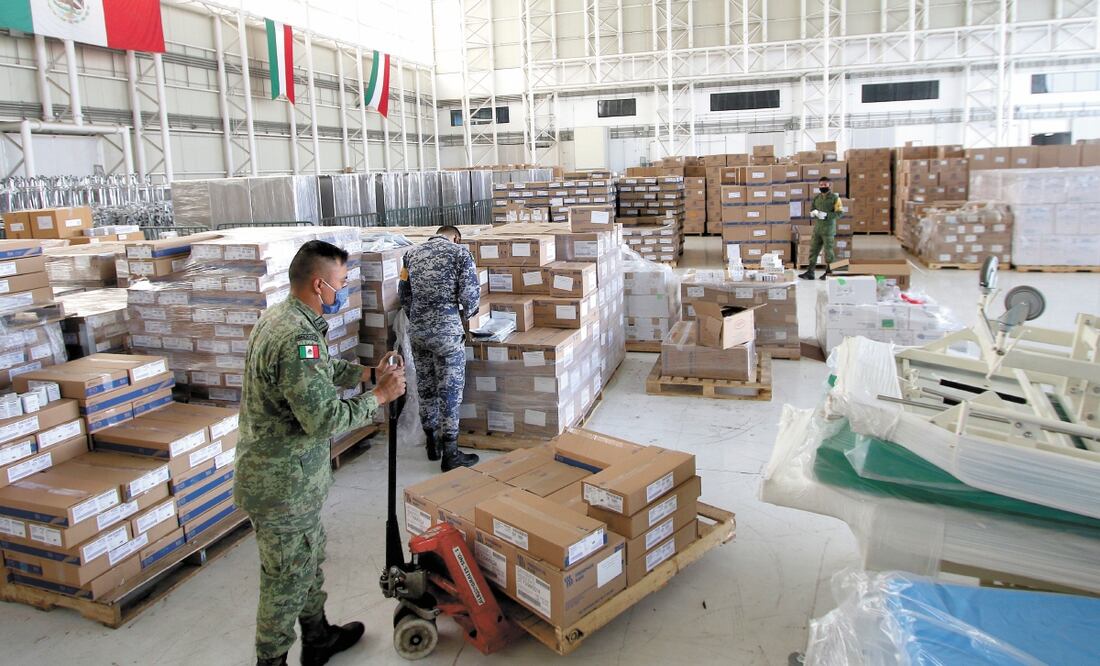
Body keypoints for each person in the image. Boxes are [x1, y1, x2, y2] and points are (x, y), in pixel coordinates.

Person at [235, 240, 407, 666]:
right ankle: (270, 660)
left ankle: (318, 636)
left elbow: (321, 370)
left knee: (307, 559)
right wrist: (380, 397)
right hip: (282, 485)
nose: (344, 291)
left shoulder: (283, 318)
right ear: (319, 284)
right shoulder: (295, 336)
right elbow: (324, 418)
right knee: (285, 579)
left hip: (287, 479)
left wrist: (370, 373)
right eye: (342, 284)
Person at [399, 225, 481, 471]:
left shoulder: (411, 254)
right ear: (455, 237)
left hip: (418, 332)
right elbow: (470, 296)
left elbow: (404, 294)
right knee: (450, 390)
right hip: (446, 332)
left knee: (425, 385)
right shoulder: (460, 254)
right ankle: (451, 453)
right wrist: (468, 315)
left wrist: (418, 320)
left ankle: (432, 444)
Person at [799, 176, 843, 280]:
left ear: (829, 185)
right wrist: (813, 213)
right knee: (813, 251)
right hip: (818, 229)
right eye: (821, 185)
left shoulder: (835, 198)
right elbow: (813, 208)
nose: (823, 186)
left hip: (828, 230)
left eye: (825, 184)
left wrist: (827, 215)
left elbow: (840, 213)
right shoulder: (817, 198)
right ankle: (810, 272)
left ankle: (829, 272)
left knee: (828, 252)